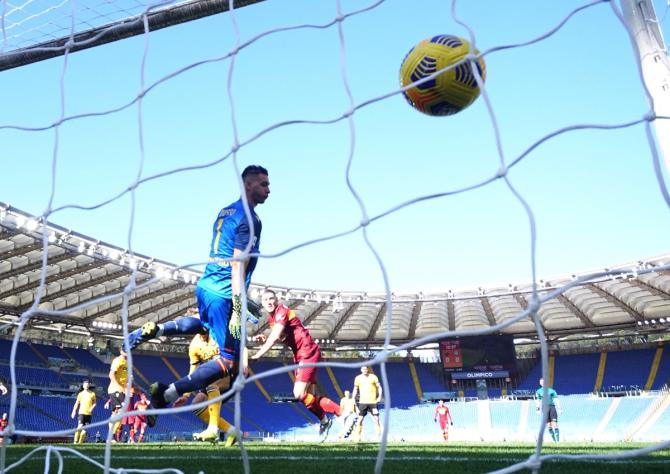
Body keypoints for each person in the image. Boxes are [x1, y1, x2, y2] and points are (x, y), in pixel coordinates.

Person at [147, 165, 270, 419]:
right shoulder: (250, 219)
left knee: (231, 362)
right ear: (248, 185)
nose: (268, 190)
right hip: (224, 294)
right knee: (227, 363)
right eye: (263, 184)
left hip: (207, 286)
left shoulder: (227, 211)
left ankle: (173, 395)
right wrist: (238, 306)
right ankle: (167, 394)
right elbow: (238, 263)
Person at [251, 289, 342, 440]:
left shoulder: (282, 311)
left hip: (307, 350)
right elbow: (282, 337)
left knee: (298, 394)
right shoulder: (272, 320)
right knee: (308, 397)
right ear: (262, 303)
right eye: (266, 299)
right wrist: (265, 338)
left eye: (271, 298)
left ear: (276, 299)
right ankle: (324, 421)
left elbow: (274, 336)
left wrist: (258, 354)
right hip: (300, 354)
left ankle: (342, 413)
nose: (269, 302)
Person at [171, 324, 239, 446]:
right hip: (212, 376)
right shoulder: (194, 346)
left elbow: (239, 345)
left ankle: (212, 430)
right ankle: (232, 432)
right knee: (196, 406)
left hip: (232, 372)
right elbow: (193, 372)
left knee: (211, 385)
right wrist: (186, 395)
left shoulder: (219, 332)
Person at [350, 366, 383, 441]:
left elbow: (379, 387)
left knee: (376, 419)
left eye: (366, 369)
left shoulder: (373, 377)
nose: (365, 370)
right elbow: (355, 389)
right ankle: (358, 436)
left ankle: (378, 436)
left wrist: (379, 397)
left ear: (368, 370)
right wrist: (353, 398)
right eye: (363, 369)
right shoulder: (358, 378)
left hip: (373, 402)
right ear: (361, 370)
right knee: (360, 419)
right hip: (363, 402)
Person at [71, 379, 97, 444]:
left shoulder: (92, 394)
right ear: (83, 386)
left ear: (89, 385)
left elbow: (94, 403)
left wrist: (92, 408)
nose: (86, 385)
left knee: (84, 430)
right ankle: (75, 442)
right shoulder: (80, 394)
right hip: (81, 413)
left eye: (87, 384)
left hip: (89, 414)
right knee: (79, 426)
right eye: (85, 384)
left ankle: (80, 443)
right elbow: (77, 403)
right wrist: (73, 411)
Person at [536, 377, 561, 442]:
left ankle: (558, 441)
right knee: (549, 425)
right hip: (544, 408)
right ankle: (554, 441)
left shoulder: (551, 391)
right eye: (541, 382)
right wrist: (537, 409)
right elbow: (538, 401)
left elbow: (556, 399)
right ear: (540, 383)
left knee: (554, 424)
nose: (543, 383)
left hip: (552, 407)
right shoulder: (538, 391)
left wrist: (560, 408)